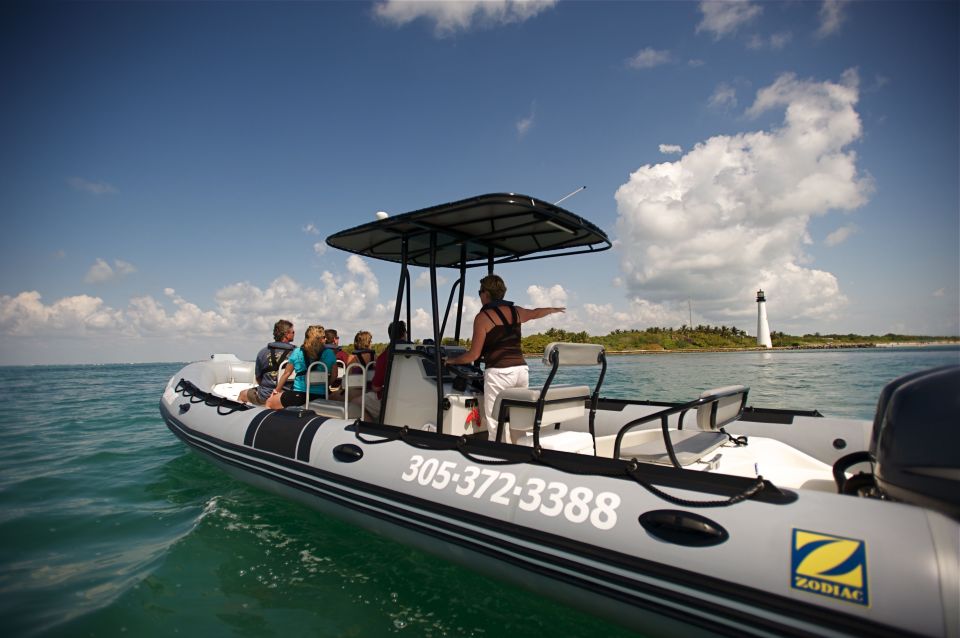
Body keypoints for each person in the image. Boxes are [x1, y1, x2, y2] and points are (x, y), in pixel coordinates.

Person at [444, 274, 564, 443]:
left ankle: (497, 456)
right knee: (519, 420)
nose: (480, 296)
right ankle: (521, 452)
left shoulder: (483, 318)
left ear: (486, 293)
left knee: (495, 422)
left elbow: (473, 355)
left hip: (499, 374)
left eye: (480, 292)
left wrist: (450, 361)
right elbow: (535, 313)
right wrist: (552, 310)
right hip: (521, 370)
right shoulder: (516, 311)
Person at [266, 324, 337, 409]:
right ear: (320, 339)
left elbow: (286, 373)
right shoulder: (329, 353)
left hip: (299, 395)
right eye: (324, 337)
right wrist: (326, 386)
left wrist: (276, 391)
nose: (325, 339)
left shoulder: (297, 352)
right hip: (321, 395)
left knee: (269, 402)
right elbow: (334, 375)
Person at [239, 319, 295, 405]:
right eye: (293, 332)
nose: (294, 333)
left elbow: (258, 378)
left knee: (242, 395)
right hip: (286, 396)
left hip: (265, 396)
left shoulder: (262, 352)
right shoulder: (297, 353)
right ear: (286, 334)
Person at [364, 321, 406, 421]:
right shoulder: (417, 353)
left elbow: (376, 387)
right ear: (404, 334)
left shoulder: (384, 357)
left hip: (390, 399)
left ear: (390, 336)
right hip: (410, 397)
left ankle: (373, 429)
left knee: (355, 402)